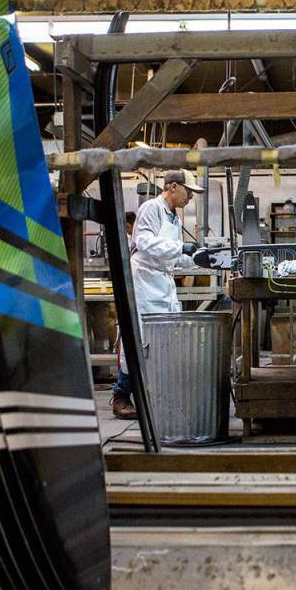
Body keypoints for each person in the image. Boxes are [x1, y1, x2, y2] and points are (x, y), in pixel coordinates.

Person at [111, 169, 204, 419]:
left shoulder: (174, 219)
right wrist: (181, 247)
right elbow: (145, 243)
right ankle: (121, 395)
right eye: (188, 191)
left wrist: (200, 260)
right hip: (143, 282)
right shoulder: (151, 208)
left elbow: (173, 258)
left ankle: (155, 396)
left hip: (162, 283)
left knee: (165, 341)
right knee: (138, 338)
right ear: (173, 187)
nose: (190, 197)